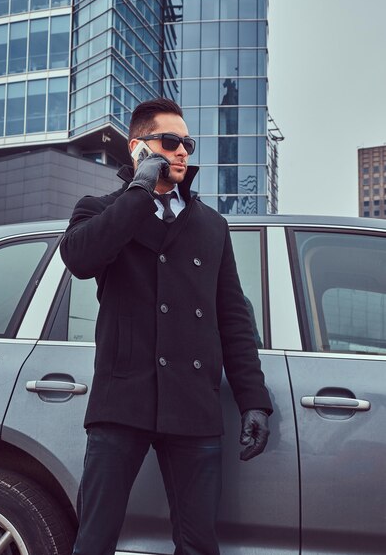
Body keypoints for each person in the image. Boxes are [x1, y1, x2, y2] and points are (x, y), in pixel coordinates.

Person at [60, 98, 273, 555]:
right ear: (138, 148)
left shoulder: (212, 226)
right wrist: (140, 190)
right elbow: (80, 259)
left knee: (198, 545)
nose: (181, 152)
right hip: (123, 402)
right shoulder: (99, 208)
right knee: (94, 541)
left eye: (187, 144)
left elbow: (233, 316)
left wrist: (254, 398)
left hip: (192, 405)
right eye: (169, 142)